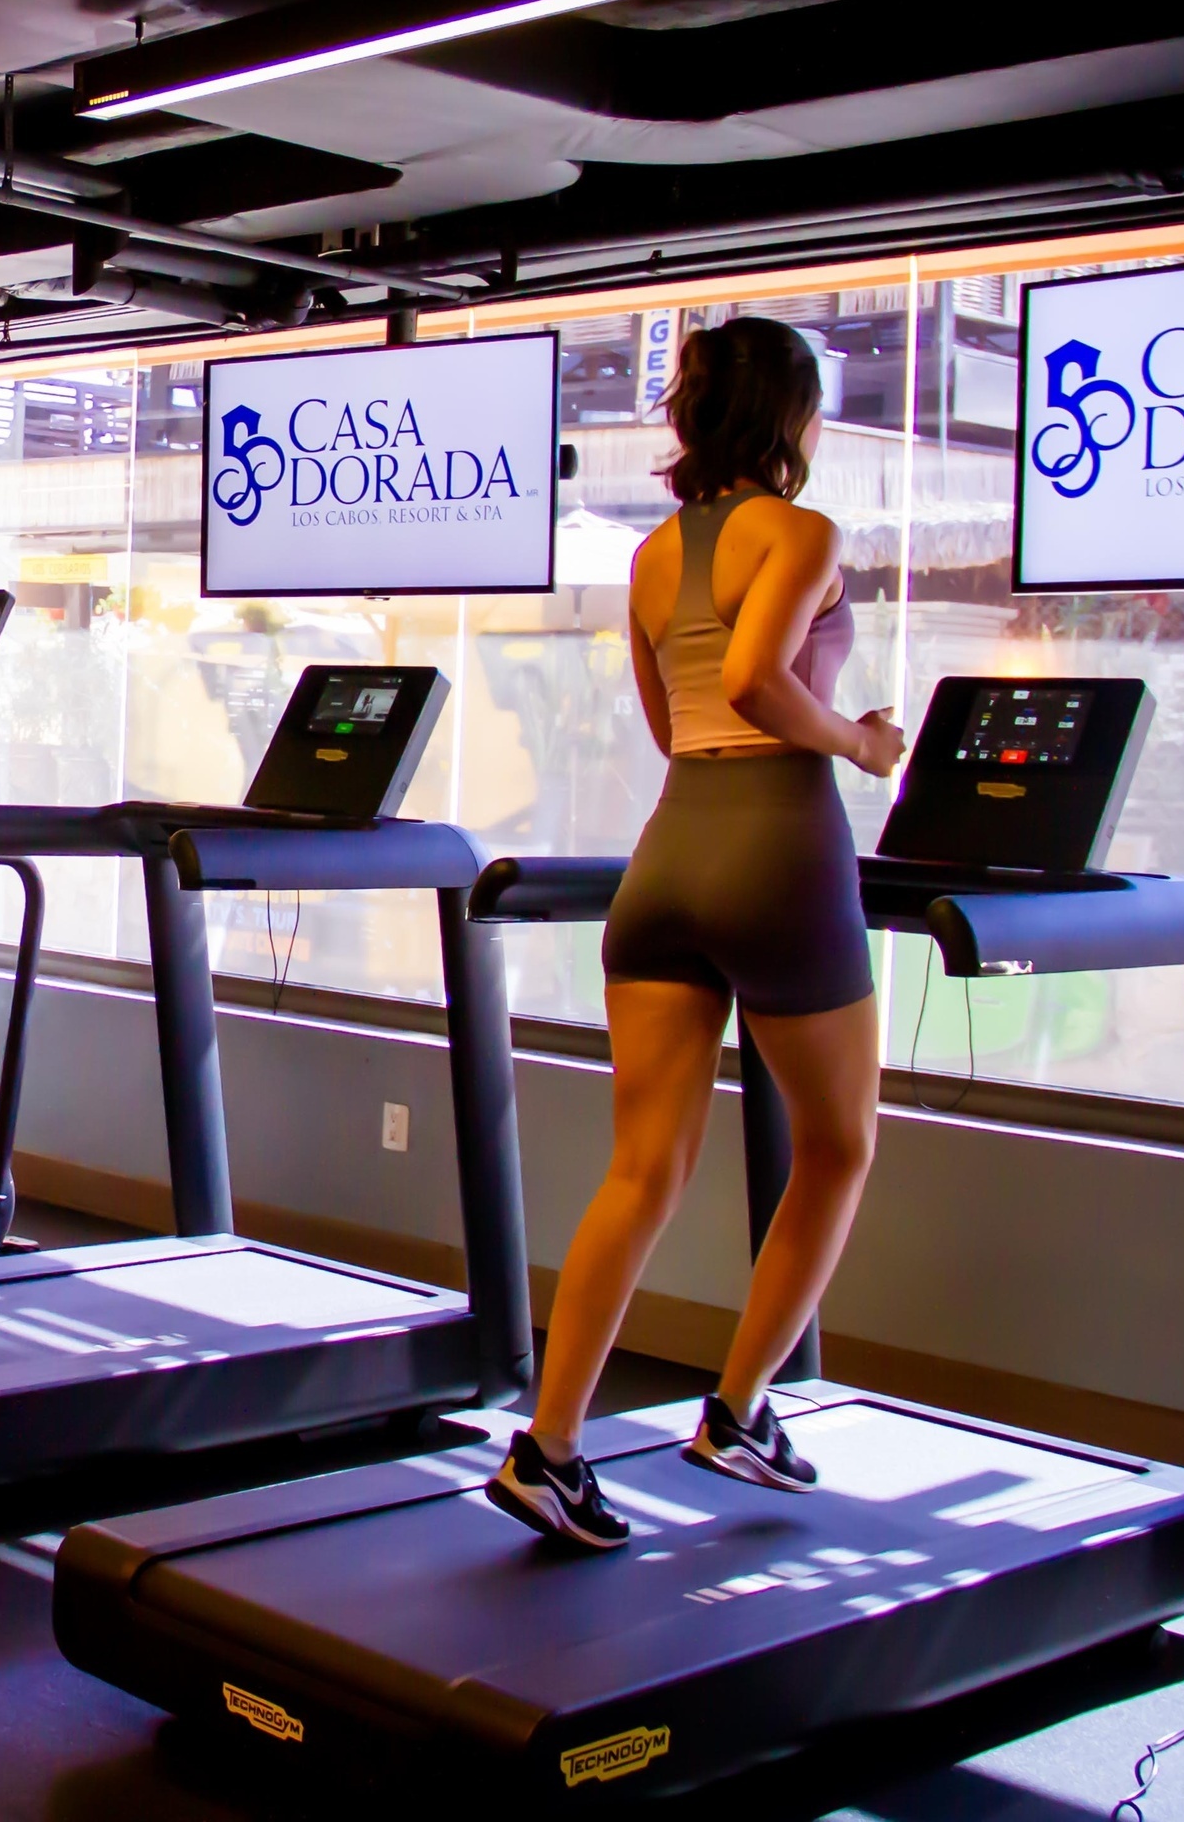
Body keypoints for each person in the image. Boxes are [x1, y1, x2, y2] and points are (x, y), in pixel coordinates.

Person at [488, 316, 907, 1548]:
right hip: (777, 845)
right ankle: (737, 1408)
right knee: (837, 1145)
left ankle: (549, 1446)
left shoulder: (656, 553)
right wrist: (864, 744)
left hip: (669, 856)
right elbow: (758, 685)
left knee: (642, 1169)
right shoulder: (807, 530)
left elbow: (677, 729)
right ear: (794, 419)